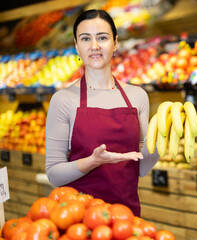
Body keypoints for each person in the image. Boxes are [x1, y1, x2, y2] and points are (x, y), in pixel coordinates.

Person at [45, 9, 159, 217]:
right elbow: (54, 174)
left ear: (115, 43)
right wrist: (93, 161)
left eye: (102, 38)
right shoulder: (63, 100)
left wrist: (159, 144)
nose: (94, 46)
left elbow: (140, 168)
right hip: (80, 221)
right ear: (77, 46)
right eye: (86, 39)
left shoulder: (138, 96)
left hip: (126, 219)